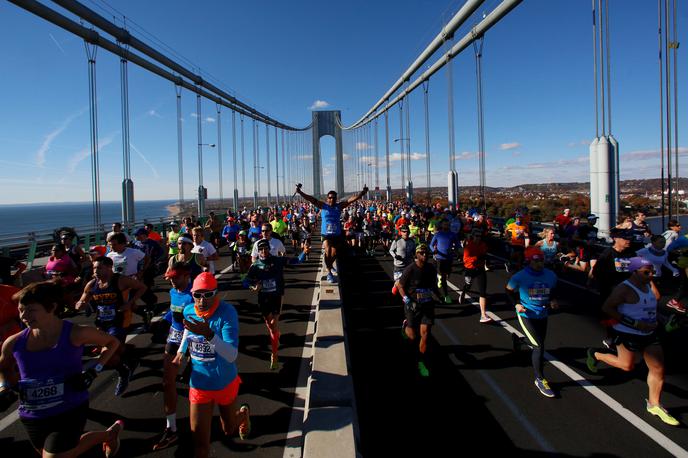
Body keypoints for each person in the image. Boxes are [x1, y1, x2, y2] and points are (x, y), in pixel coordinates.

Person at [0, 281, 124, 457]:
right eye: (21, 310)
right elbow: (4, 367)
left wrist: (94, 370)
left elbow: (112, 342)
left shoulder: (76, 333)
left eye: (31, 310)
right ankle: (109, 435)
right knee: (47, 452)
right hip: (32, 414)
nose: (24, 316)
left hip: (70, 407)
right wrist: (5, 387)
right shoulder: (13, 342)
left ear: (51, 307)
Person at [586, 257, 679, 426]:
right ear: (634, 271)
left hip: (649, 334)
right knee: (626, 366)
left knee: (658, 368)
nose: (651, 274)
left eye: (652, 271)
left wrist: (661, 322)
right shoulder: (623, 289)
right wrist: (635, 323)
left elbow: (655, 301)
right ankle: (596, 354)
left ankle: (654, 404)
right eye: (646, 272)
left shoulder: (649, 285)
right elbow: (607, 308)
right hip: (627, 334)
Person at [173, 273, 251, 458]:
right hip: (199, 384)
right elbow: (188, 332)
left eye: (208, 294)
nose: (202, 300)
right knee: (200, 446)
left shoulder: (227, 313)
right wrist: (180, 353)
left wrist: (209, 335)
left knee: (229, 428)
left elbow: (231, 355)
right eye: (197, 295)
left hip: (225, 382)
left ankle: (242, 416)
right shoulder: (189, 311)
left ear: (216, 293)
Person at [75, 256, 147, 396]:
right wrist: (80, 304)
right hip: (102, 323)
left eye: (99, 268)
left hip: (119, 321)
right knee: (113, 355)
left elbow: (142, 287)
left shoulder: (120, 280)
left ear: (109, 267)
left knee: (108, 352)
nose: (95, 271)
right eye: (94, 268)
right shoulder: (92, 284)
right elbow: (81, 300)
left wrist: (130, 302)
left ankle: (121, 370)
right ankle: (127, 365)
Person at [243, 239, 305, 369]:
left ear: (269, 249)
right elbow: (245, 281)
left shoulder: (277, 260)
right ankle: (276, 335)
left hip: (277, 296)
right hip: (263, 298)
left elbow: (295, 261)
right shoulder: (255, 266)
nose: (264, 251)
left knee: (273, 324)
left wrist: (304, 252)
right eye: (261, 250)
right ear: (258, 251)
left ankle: (274, 355)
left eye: (266, 249)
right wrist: (253, 287)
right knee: (271, 327)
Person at [506, 247, 559, 398]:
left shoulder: (551, 275)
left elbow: (553, 290)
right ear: (529, 261)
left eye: (541, 260)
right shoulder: (519, 277)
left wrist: (553, 300)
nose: (539, 263)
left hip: (542, 314)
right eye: (536, 260)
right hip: (526, 314)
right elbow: (508, 291)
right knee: (538, 346)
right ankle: (540, 379)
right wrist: (516, 304)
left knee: (538, 342)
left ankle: (519, 341)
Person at [153, 263, 194, 450]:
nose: (172, 281)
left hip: (194, 337)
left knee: (201, 384)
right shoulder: (173, 292)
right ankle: (171, 428)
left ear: (187, 276)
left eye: (176, 278)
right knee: (167, 382)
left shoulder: (195, 294)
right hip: (176, 335)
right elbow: (174, 311)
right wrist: (164, 321)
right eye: (170, 278)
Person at [295, 184, 368, 283]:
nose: (332, 199)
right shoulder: (323, 206)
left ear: (336, 198)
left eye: (334, 198)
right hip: (326, 235)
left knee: (334, 253)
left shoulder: (339, 206)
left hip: (336, 235)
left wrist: (362, 193)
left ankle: (329, 266)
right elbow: (311, 199)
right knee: (328, 250)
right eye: (330, 198)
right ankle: (329, 272)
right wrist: (300, 192)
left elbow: (351, 200)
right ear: (327, 198)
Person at [395, 244, 442, 377]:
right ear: (416, 254)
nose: (425, 255)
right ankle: (406, 326)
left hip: (427, 305)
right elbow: (400, 286)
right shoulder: (410, 269)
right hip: (412, 305)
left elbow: (433, 285)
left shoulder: (431, 268)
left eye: (426, 253)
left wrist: (439, 296)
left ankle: (421, 362)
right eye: (421, 253)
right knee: (412, 336)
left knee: (425, 334)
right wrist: (406, 299)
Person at [460, 229, 492, 323]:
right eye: (476, 236)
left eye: (480, 236)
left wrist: (486, 259)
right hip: (470, 269)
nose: (478, 238)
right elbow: (466, 260)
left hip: (480, 269)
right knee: (468, 285)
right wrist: (477, 258)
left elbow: (484, 254)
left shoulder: (483, 245)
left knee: (483, 292)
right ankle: (464, 292)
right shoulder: (469, 246)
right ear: (473, 236)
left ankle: (483, 315)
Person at [429, 219, 459, 304]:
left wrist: (456, 251)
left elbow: (457, 245)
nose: (446, 226)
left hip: (448, 259)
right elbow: (431, 245)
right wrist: (433, 250)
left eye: (447, 224)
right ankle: (446, 295)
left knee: (446, 277)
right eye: (445, 224)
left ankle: (444, 293)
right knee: (441, 278)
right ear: (442, 225)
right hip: (439, 258)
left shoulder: (453, 235)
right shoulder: (438, 234)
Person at [390, 225, 416, 295]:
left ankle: (406, 298)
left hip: (409, 265)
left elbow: (415, 252)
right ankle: (395, 286)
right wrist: (395, 256)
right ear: (401, 232)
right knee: (398, 285)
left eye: (407, 232)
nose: (405, 233)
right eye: (404, 232)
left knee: (408, 283)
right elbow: (391, 250)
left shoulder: (412, 241)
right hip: (399, 266)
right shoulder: (396, 240)